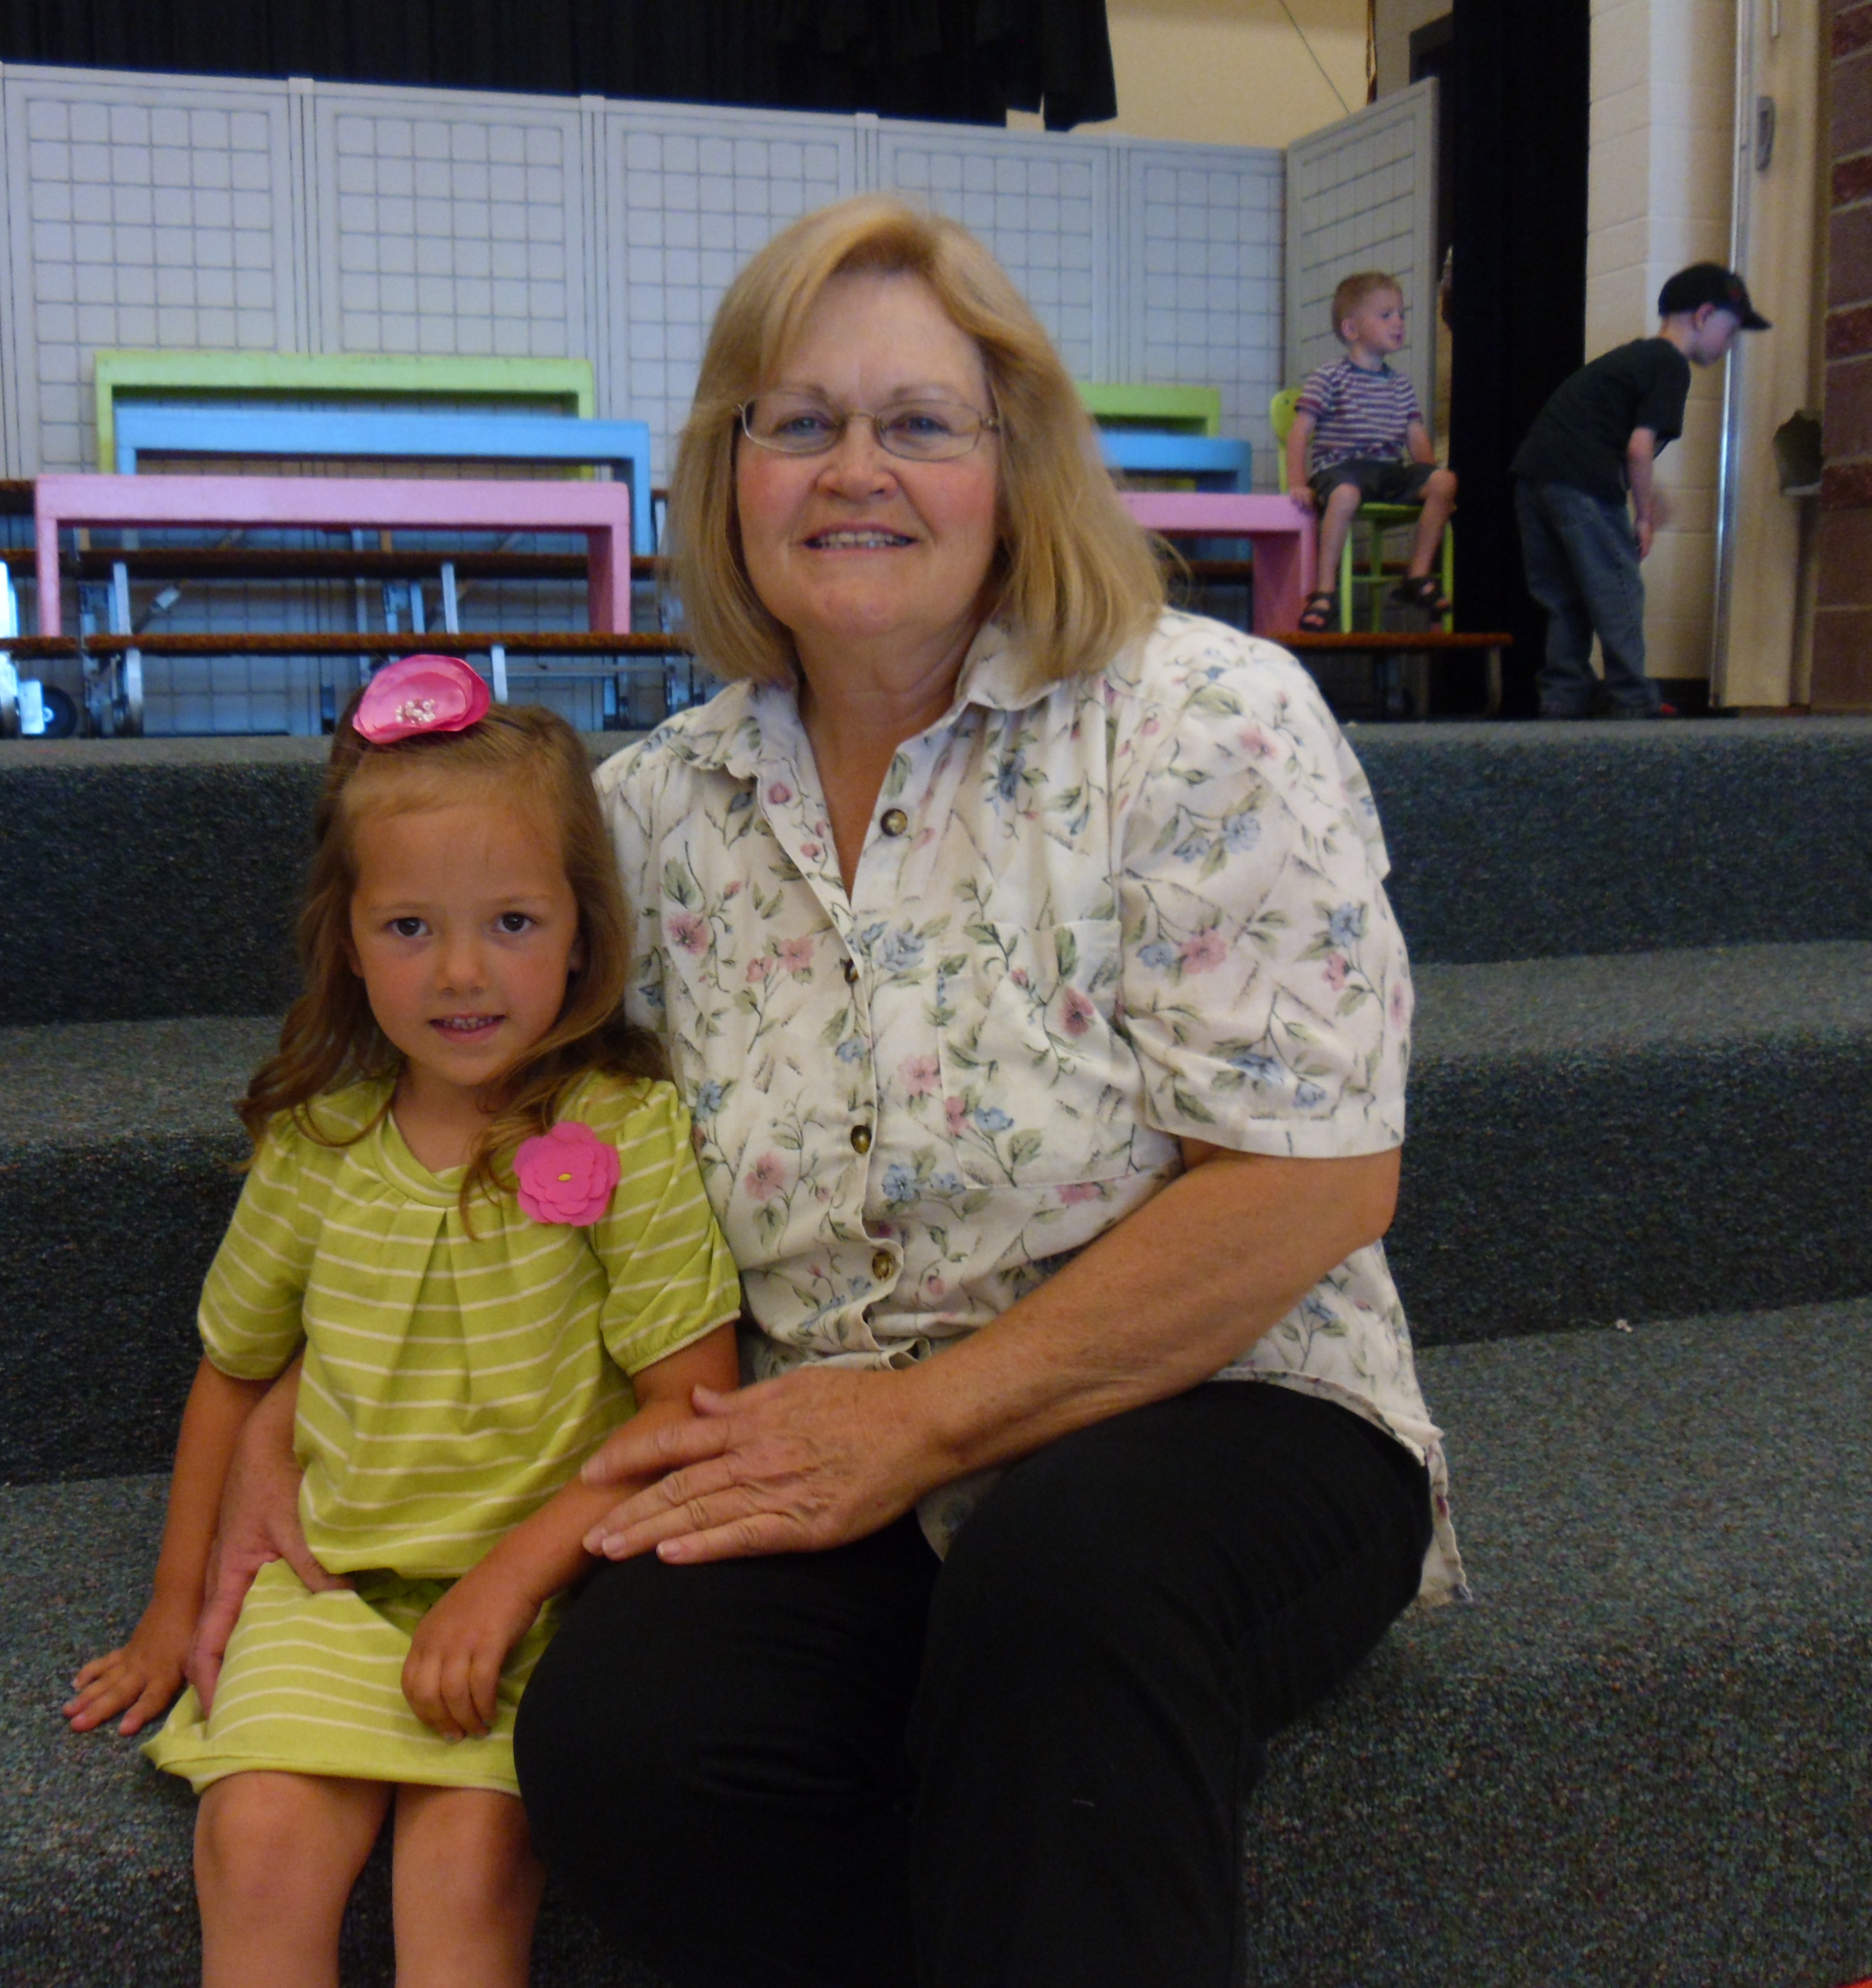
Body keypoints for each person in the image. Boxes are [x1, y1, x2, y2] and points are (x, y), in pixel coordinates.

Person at [509, 192, 1466, 1988]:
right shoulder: (652, 812)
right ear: (727, 471)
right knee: (632, 1740)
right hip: (833, 1428)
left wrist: (923, 1425)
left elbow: (1314, 1180)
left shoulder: (1202, 717)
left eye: (919, 423)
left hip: (1222, 1401)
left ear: (1012, 464)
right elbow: (510, 1135)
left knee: (1067, 1587)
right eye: (799, 422)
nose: (854, 470)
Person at [64, 659, 741, 1988]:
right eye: (409, 928)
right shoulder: (316, 1147)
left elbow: (686, 1407)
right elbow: (231, 1374)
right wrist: (171, 1608)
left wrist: (511, 1579)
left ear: (583, 933)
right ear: (346, 938)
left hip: (538, 1595)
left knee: (466, 1870)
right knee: (255, 1848)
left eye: (512, 921)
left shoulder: (624, 1131)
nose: (462, 973)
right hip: (329, 1584)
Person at [1510, 261, 1771, 718]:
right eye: (1730, 332)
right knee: (1619, 589)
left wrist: (1650, 496)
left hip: (1534, 476)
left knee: (1565, 598)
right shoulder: (1670, 364)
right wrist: (1645, 516)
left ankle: (1563, 697)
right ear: (1704, 316)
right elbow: (1638, 448)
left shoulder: (1634, 359)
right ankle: (1633, 698)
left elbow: (1616, 446)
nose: (1729, 346)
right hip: (1581, 481)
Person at [1287, 268, 1457, 632]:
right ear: (1352, 329)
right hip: (1340, 471)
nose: (1398, 322)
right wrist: (1298, 482)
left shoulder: (1400, 385)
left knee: (1446, 481)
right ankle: (1325, 589)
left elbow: (1416, 438)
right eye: (1386, 315)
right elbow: (1300, 432)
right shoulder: (1329, 377)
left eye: (1401, 314)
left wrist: (1431, 483)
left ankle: (1417, 573)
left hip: (1387, 471)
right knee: (1346, 495)